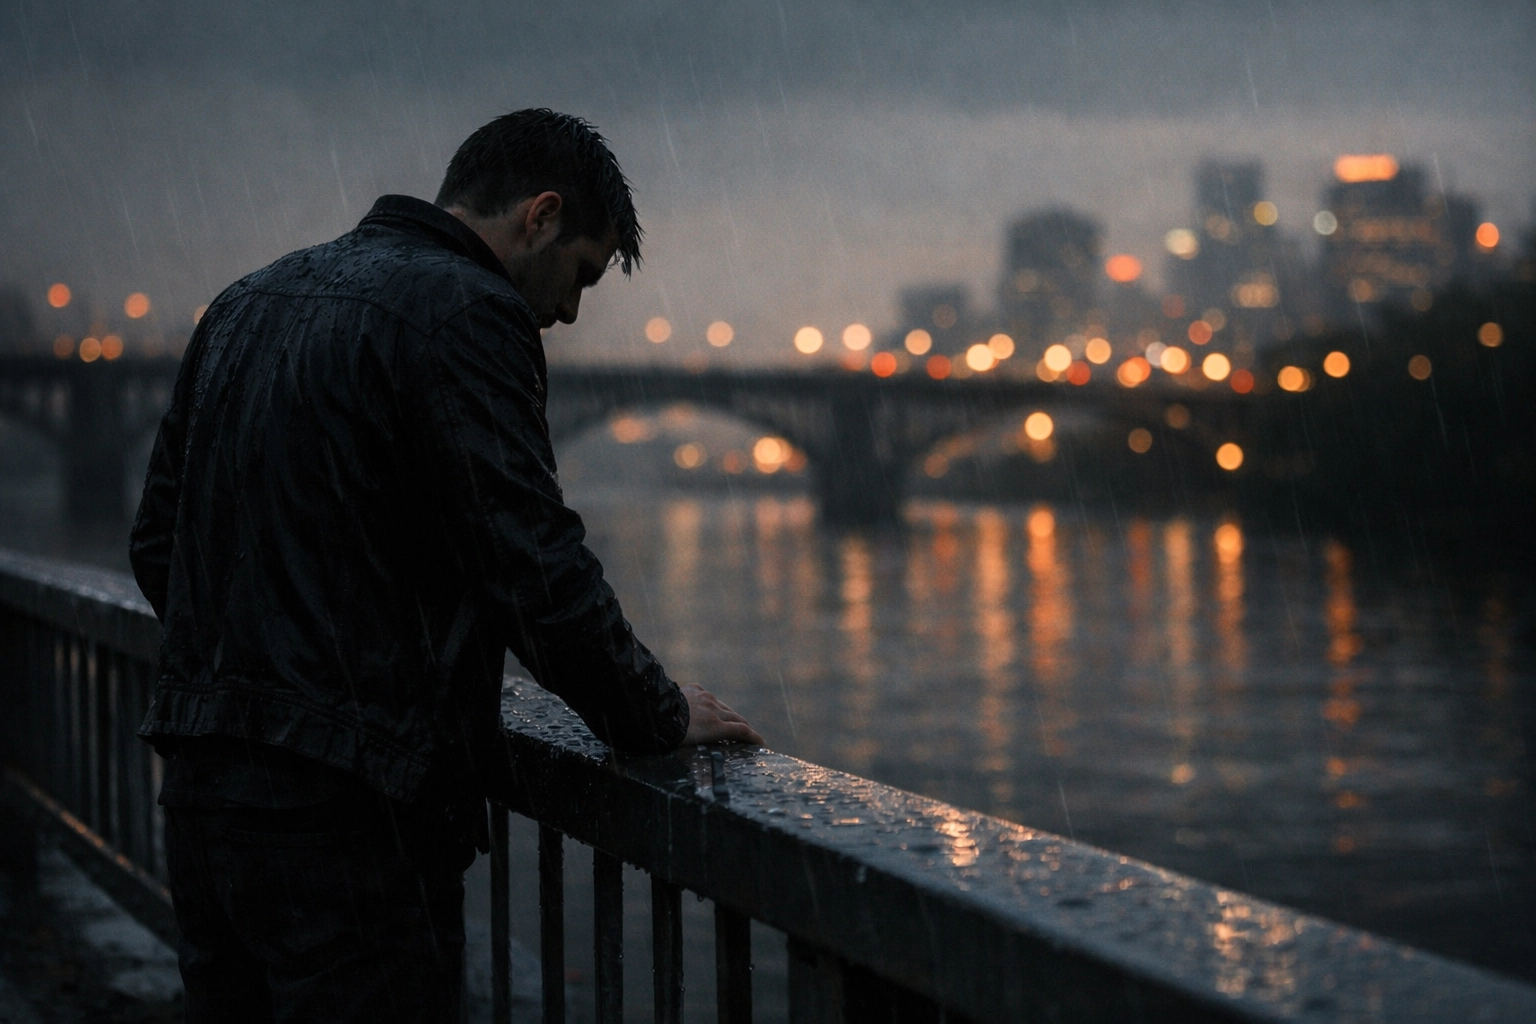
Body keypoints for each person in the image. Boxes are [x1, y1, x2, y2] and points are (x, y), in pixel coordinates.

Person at [129, 108, 762, 1023]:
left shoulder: (246, 301)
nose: (569, 314)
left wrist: (266, 668)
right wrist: (655, 713)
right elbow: (534, 564)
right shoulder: (470, 312)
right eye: (580, 274)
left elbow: (160, 544)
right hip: (352, 817)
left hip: (202, 795)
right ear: (537, 216)